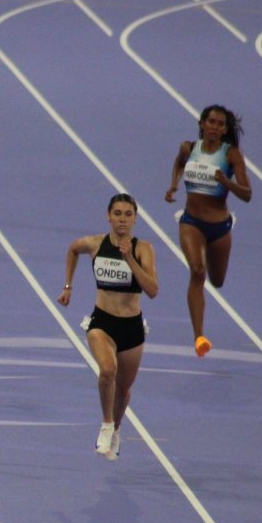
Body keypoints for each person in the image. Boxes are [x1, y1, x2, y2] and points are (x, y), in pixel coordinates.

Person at [58, 194, 158, 461]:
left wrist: (130, 260)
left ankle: (116, 427)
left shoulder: (143, 249)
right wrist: (68, 286)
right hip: (102, 321)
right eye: (117, 213)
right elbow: (72, 249)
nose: (122, 219)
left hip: (132, 328)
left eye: (127, 214)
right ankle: (105, 424)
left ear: (135, 218)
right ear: (108, 216)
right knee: (107, 371)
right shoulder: (95, 244)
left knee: (124, 389)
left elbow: (152, 290)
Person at [165, 104, 252, 359]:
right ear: (202, 123)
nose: (214, 127)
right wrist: (173, 184)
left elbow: (247, 194)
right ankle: (199, 336)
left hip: (220, 227)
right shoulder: (188, 148)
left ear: (225, 129)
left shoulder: (231, 155)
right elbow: (179, 162)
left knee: (217, 281)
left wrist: (226, 182)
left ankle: (200, 331)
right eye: (210, 122)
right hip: (191, 222)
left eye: (220, 124)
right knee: (197, 272)